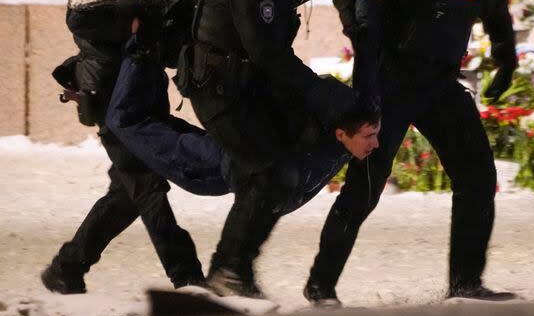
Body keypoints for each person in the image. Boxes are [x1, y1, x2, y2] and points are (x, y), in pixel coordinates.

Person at [303, 0, 519, 307]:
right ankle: (321, 284)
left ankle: (466, 284)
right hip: (391, 83)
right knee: (365, 186)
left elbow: (498, 14)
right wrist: (358, 28)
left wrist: (506, 61)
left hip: (439, 84)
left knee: (477, 177)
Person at [183, 0, 373, 298]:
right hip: (222, 92)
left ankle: (233, 270)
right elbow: (267, 52)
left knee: (284, 167)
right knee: (266, 173)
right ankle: (228, 273)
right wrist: (315, 90)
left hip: (249, 85)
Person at [41, 0, 205, 294]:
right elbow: (81, 16)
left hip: (146, 87)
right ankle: (187, 277)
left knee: (130, 189)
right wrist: (134, 24)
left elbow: (182, 31)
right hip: (110, 89)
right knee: (145, 182)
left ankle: (68, 267)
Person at [103, 28, 379, 214]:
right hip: (216, 163)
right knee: (125, 121)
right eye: (369, 136)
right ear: (342, 132)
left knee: (149, 129)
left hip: (221, 164)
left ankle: (143, 47)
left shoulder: (344, 138)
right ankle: (138, 46)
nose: (376, 143)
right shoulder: (324, 126)